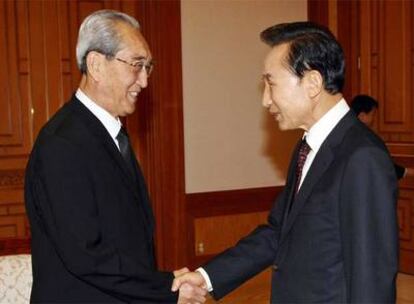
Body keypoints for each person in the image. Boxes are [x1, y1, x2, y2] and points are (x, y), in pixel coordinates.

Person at [172, 21, 399, 303]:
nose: (266, 100)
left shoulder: (362, 156)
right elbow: (278, 233)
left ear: (312, 83)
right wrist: (207, 277)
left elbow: (372, 279)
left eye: (271, 83)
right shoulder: (307, 146)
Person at [24, 9, 206, 303]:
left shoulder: (107, 132)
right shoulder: (63, 144)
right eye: (136, 65)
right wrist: (165, 288)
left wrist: (161, 283)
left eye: (148, 67)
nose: (144, 81)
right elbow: (87, 255)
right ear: (96, 65)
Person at [351, 94, 414, 179]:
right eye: (372, 114)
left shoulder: (348, 134)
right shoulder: (365, 139)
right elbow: (383, 166)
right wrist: (408, 172)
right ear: (362, 116)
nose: (374, 119)